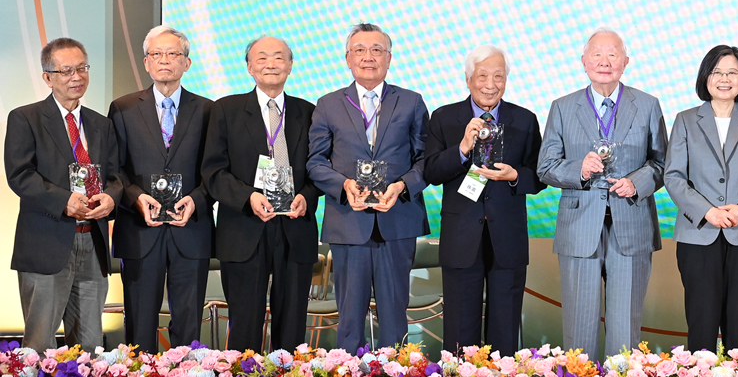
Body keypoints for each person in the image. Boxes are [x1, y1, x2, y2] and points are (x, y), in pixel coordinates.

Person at [537, 29, 667, 360]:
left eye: (612, 55)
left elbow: (663, 163)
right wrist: (577, 170)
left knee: (625, 328)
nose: (604, 62)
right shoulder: (563, 108)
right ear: (584, 62)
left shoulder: (648, 105)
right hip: (580, 226)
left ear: (625, 62)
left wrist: (637, 182)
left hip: (632, 222)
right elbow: (546, 167)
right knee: (579, 328)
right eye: (597, 54)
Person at [307, 23, 430, 353]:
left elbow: (425, 160)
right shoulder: (329, 104)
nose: (368, 57)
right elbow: (315, 163)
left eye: (377, 50)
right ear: (347, 58)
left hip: (397, 219)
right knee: (349, 318)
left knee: (395, 317)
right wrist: (344, 185)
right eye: (359, 50)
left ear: (389, 58)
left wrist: (403, 186)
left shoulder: (411, 102)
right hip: (349, 221)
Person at [422, 44, 542, 356]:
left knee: (505, 326)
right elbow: (431, 172)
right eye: (483, 76)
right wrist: (462, 148)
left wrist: (515, 176)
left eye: (498, 76)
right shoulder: (444, 118)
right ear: (468, 79)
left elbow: (539, 175)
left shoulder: (525, 120)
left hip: (508, 236)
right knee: (461, 328)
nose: (491, 84)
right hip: (462, 235)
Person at [4, 37, 122, 350]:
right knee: (39, 345)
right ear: (48, 77)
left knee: (90, 346)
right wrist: (64, 200)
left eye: (82, 68)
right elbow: (20, 175)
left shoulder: (101, 124)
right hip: (46, 243)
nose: (77, 77)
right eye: (67, 70)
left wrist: (111, 196)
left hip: (92, 241)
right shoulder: (25, 118)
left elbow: (115, 175)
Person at [202, 36, 319, 352]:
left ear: (291, 65)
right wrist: (248, 197)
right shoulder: (225, 110)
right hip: (244, 228)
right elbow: (213, 172)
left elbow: (319, 169)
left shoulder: (309, 112)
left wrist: (306, 196)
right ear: (250, 67)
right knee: (244, 323)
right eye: (262, 57)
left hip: (295, 228)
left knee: (293, 324)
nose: (271, 63)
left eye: (279, 57)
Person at [664, 44, 738, 353]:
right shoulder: (686, 120)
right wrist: (707, 212)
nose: (724, 78)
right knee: (701, 324)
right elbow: (673, 176)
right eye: (717, 72)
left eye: (732, 72)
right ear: (705, 77)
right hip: (698, 234)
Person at [109, 25, 214, 352]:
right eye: (157, 54)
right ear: (145, 62)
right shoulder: (122, 108)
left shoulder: (209, 110)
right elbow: (114, 168)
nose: (165, 60)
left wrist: (196, 200)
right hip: (140, 229)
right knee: (139, 321)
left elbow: (215, 171)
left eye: (173, 54)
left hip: (190, 229)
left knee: (188, 321)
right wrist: (137, 197)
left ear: (187, 63)